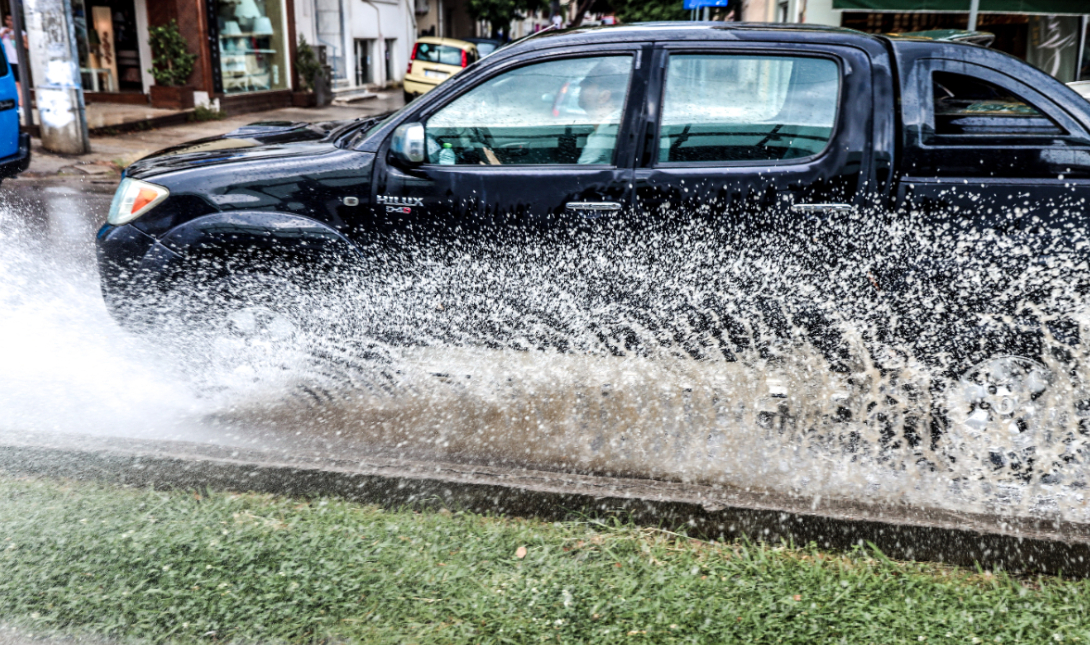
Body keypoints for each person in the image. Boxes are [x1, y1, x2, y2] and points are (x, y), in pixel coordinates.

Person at [576, 58, 629, 165]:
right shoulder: (614, 128)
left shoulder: (609, 135)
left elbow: (584, 178)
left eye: (588, 82)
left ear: (603, 96)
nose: (580, 84)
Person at [0, 14, 27, 104]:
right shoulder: (2, 30)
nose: (9, 22)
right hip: (7, 61)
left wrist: (16, 38)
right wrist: (3, 33)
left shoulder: (20, 32)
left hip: (17, 60)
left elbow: (28, 46)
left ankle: (21, 103)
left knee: (18, 82)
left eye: (11, 20)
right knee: (9, 82)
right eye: (7, 19)